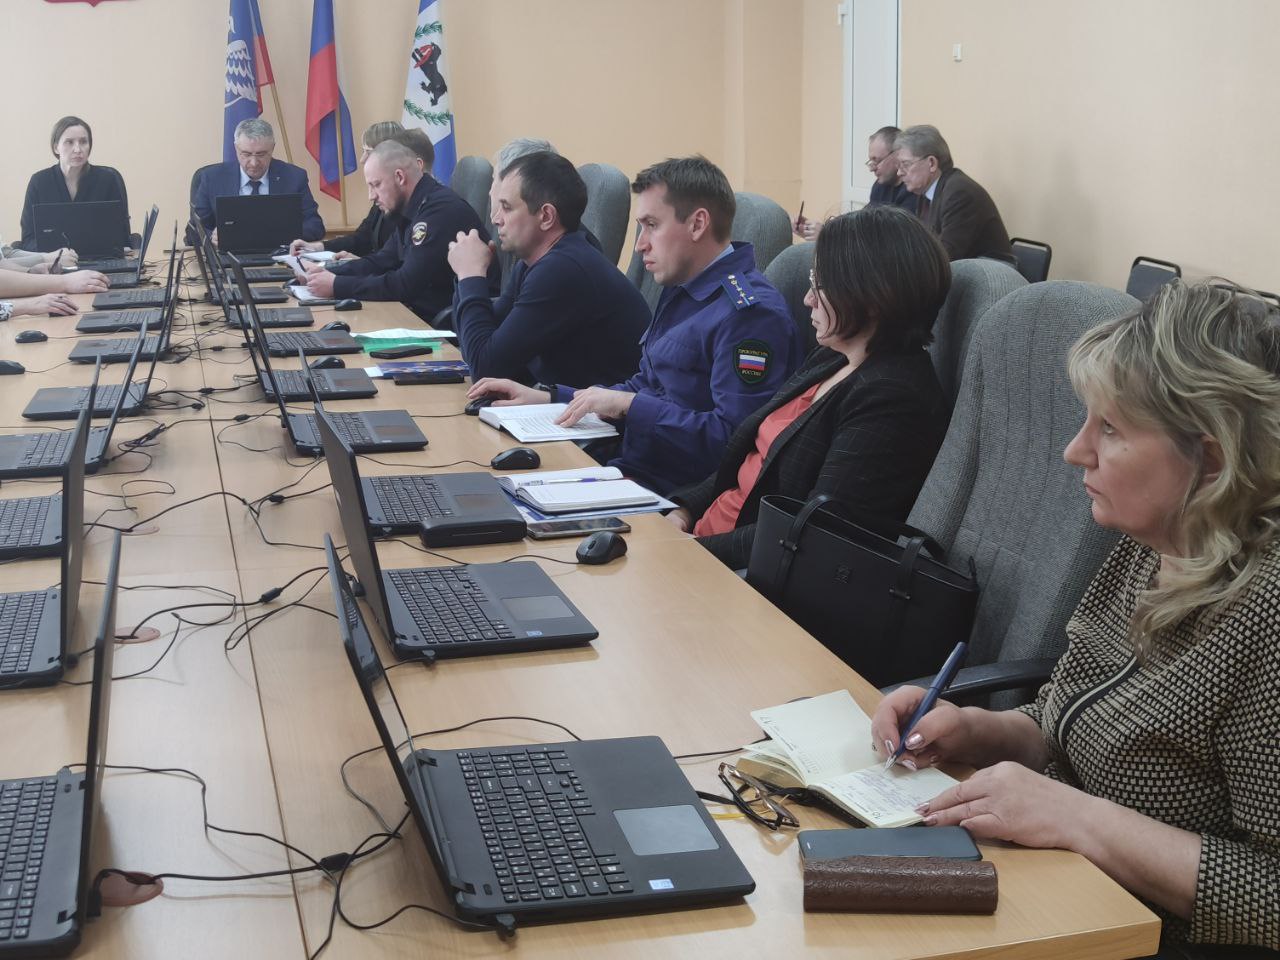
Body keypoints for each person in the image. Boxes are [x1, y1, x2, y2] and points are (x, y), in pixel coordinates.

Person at [871, 280, 1280, 955]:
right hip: (1062, 892)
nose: (1075, 450)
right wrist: (979, 732)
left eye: (1110, 429)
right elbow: (1074, 718)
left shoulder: (1265, 614)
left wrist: (1080, 820)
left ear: (1210, 460)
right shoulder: (1153, 542)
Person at [468, 155, 800, 496]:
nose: (641, 244)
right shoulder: (685, 288)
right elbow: (648, 384)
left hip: (671, 493)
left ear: (697, 224)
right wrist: (551, 397)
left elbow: (734, 442)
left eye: (652, 225)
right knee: (482, 488)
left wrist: (630, 406)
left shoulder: (749, 316)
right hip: (630, 467)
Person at [668, 205, 950, 569]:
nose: (808, 298)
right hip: (703, 543)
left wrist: (690, 552)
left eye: (821, 284)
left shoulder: (893, 399)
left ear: (873, 297)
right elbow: (749, 459)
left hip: (745, 575)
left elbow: (810, 533)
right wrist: (683, 511)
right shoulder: (832, 356)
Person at [446, 151, 648, 388]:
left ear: (546, 216)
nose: (496, 219)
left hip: (609, 409)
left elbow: (485, 368)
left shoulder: (563, 269)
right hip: (565, 401)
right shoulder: (535, 262)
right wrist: (467, 278)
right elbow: (483, 339)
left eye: (507, 208)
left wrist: (470, 275)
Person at [302, 139, 497, 321]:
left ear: (400, 177)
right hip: (419, 315)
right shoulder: (414, 207)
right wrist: (323, 273)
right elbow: (382, 260)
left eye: (376, 185)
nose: (371, 196)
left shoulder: (438, 212)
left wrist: (337, 285)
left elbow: (406, 284)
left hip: (449, 324)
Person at [190, 118, 324, 246]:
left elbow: (315, 226)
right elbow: (193, 231)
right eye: (246, 154)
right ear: (236, 148)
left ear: (272, 148)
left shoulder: (294, 177)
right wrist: (212, 237)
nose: (254, 163)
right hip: (229, 257)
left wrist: (278, 234)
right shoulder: (212, 178)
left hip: (279, 256)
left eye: (261, 154)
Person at [893, 124, 1014, 264]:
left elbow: (946, 254)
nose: (899, 172)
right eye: (899, 166)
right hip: (966, 266)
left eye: (906, 164)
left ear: (932, 163)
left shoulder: (959, 193)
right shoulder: (925, 192)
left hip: (992, 271)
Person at [289, 121, 404, 260]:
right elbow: (361, 238)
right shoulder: (381, 198)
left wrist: (360, 263)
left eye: (368, 152)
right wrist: (317, 247)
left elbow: (398, 261)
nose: (362, 160)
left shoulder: (407, 204)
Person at [18, 116, 130, 251]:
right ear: (56, 147)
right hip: (53, 260)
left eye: (83, 142)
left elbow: (121, 236)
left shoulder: (108, 179)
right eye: (69, 142)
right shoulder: (39, 182)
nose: (78, 149)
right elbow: (28, 239)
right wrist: (53, 255)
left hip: (100, 257)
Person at [793, 126, 913, 240]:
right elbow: (861, 224)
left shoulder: (912, 190)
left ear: (897, 155)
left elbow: (881, 239)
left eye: (877, 160)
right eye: (871, 161)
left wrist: (827, 235)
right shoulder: (879, 186)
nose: (872, 168)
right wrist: (812, 229)